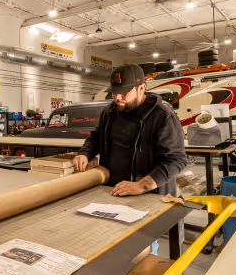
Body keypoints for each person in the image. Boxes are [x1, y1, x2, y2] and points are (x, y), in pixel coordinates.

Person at [74, 64, 187, 197]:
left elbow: (176, 159)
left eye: (124, 93)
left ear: (141, 89)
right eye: (115, 92)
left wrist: (141, 185)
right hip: (113, 190)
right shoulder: (109, 112)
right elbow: (96, 137)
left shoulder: (162, 116)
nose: (117, 97)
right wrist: (85, 153)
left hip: (151, 195)